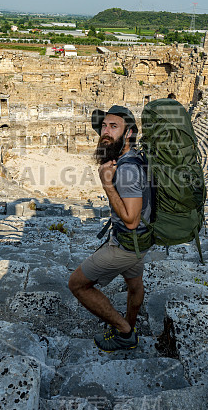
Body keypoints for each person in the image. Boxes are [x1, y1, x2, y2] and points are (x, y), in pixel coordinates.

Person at [68, 105, 151, 352]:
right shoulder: (135, 157)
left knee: (77, 284)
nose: (105, 131)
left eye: (113, 126)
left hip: (126, 243)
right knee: (135, 285)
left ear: (129, 134)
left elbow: (131, 220)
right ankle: (129, 327)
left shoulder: (126, 170)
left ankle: (125, 333)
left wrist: (107, 183)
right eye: (104, 126)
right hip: (141, 242)